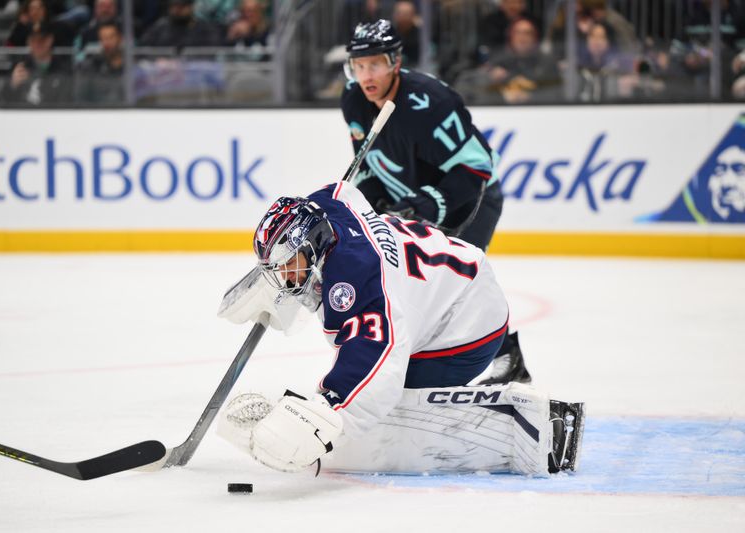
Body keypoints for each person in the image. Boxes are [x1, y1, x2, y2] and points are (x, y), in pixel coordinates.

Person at [216, 180, 585, 476]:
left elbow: (376, 362)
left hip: (466, 329)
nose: (285, 277)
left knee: (389, 400)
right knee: (382, 379)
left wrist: (328, 414)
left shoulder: (357, 282)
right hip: (458, 278)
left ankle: (528, 429)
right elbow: (344, 190)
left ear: (313, 245)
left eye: (288, 264)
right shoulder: (327, 207)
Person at [340, 19, 500, 252]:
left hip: (470, 202)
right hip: (408, 206)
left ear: (395, 62)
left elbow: (477, 169)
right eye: (359, 66)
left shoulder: (433, 105)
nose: (366, 77)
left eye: (375, 64)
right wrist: (376, 203)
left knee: (455, 285)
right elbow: (366, 163)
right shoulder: (353, 98)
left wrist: (422, 206)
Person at [0, 22, 74, 106]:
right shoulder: (19, 66)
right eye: (33, 40)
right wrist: (12, 84)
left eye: (42, 40)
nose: (37, 44)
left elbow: (67, 100)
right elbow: (4, 100)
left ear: (50, 39)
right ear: (28, 42)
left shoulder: (64, 68)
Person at [75, 21, 124, 103]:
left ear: (120, 38)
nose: (107, 43)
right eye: (103, 38)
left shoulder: (132, 65)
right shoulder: (89, 67)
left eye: (111, 37)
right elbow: (81, 99)